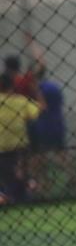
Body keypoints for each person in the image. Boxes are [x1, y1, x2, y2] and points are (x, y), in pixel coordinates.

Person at [0, 72, 43, 203]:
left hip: (1, 147)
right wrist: (36, 91)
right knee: (20, 175)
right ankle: (23, 192)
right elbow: (40, 109)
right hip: (19, 146)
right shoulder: (21, 101)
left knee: (7, 177)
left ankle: (7, 196)